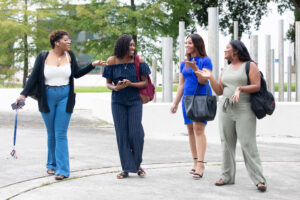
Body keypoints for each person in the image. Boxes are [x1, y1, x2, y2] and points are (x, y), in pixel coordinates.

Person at [16, 30, 105, 180]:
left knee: (61, 134)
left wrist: (92, 65)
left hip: (65, 96)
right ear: (57, 42)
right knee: (51, 133)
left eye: (69, 39)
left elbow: (76, 74)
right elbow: (32, 78)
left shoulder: (70, 56)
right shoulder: (43, 56)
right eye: (66, 40)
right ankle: (51, 164)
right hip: (47, 97)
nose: (69, 42)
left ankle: (63, 170)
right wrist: (22, 94)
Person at [197, 40, 267, 192]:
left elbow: (257, 86)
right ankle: (227, 176)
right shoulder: (226, 68)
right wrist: (210, 78)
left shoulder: (250, 65)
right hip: (226, 109)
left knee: (248, 143)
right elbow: (220, 91)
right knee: (226, 143)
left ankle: (259, 179)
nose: (224, 51)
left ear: (235, 51)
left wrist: (240, 88)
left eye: (227, 48)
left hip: (244, 109)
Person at [102, 34, 150, 179]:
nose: (133, 48)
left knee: (136, 134)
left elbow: (145, 83)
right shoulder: (111, 61)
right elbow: (108, 83)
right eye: (130, 45)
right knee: (122, 135)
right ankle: (126, 168)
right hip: (118, 102)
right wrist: (115, 88)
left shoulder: (138, 60)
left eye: (134, 45)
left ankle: (136, 164)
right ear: (122, 46)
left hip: (135, 100)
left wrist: (130, 84)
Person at [170, 33, 213, 179]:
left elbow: (203, 81)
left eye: (190, 43)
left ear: (197, 44)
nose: (187, 45)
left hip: (201, 98)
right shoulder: (184, 62)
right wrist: (175, 103)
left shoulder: (205, 61)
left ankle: (201, 164)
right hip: (186, 100)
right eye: (186, 43)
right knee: (190, 130)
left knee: (199, 129)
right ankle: (195, 162)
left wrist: (195, 68)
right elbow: (181, 84)